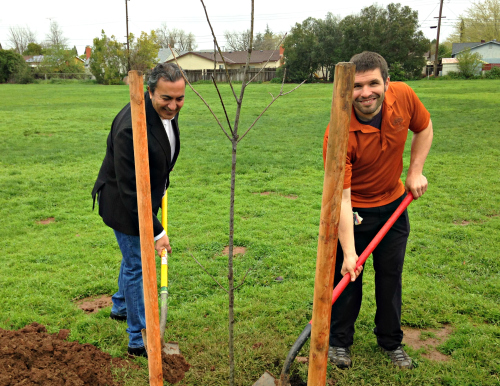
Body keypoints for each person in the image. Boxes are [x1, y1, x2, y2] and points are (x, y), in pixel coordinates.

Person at [323, 51, 433, 369]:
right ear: (347, 90)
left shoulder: (404, 97)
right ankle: (339, 343)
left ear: (387, 82)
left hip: (396, 206)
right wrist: (348, 252)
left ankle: (391, 342)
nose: (366, 92)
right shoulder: (339, 133)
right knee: (347, 277)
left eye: (373, 83)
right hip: (355, 211)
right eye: (357, 86)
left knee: (390, 276)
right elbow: (341, 200)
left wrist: (415, 172)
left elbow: (424, 129)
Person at [92, 63, 185, 357]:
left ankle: (120, 306)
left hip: (142, 196)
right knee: (138, 265)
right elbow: (130, 189)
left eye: (179, 98)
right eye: (166, 99)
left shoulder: (162, 111)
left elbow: (160, 152)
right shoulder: (131, 127)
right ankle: (138, 338)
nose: (173, 106)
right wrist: (157, 231)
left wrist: (163, 181)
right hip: (125, 203)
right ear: (150, 91)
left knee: (131, 257)